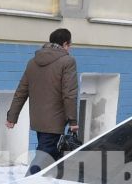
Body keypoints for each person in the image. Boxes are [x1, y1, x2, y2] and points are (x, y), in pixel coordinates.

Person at [5, 27, 78, 173]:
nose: (69, 49)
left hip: (38, 118)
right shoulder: (67, 61)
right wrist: (73, 121)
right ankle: (28, 183)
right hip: (55, 119)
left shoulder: (33, 62)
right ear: (65, 44)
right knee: (44, 154)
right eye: (69, 45)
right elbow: (69, 94)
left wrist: (12, 116)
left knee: (51, 155)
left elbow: (21, 91)